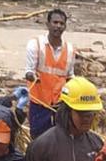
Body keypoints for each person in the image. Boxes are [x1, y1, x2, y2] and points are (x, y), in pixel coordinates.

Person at [25, 9, 74, 139]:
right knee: (38, 139)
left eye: (61, 23)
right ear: (48, 24)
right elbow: (29, 71)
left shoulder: (69, 49)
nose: (58, 26)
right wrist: (32, 76)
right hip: (39, 103)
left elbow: (70, 77)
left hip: (60, 104)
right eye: (55, 22)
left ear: (65, 26)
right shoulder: (35, 45)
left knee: (61, 140)